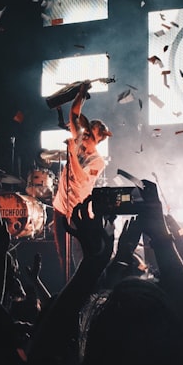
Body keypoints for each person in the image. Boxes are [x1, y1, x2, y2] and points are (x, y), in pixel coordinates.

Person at [51, 79, 111, 278]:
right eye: (85, 132)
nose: (84, 136)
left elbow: (79, 176)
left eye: (89, 135)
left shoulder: (98, 162)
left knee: (79, 255)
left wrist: (71, 152)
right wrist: (81, 94)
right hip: (60, 207)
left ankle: (82, 289)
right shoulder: (79, 139)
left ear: (98, 140)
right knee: (61, 254)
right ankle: (65, 288)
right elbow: (74, 114)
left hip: (78, 211)